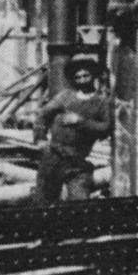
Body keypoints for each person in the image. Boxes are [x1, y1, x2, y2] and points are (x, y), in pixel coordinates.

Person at [33, 54, 112, 203]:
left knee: (79, 204)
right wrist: (40, 139)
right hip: (53, 157)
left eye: (86, 75)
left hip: (77, 163)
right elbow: (43, 115)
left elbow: (106, 128)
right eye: (78, 77)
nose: (82, 80)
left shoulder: (101, 103)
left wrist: (80, 121)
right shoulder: (65, 97)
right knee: (43, 202)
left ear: (93, 75)